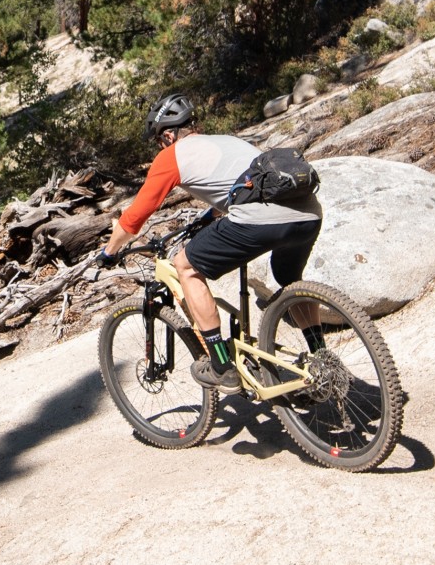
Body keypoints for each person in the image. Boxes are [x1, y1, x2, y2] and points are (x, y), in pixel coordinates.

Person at [96, 93, 325, 391]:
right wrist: (206, 218)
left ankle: (222, 367)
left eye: (158, 142)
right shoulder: (227, 141)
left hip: (259, 219)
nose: (160, 148)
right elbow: (247, 185)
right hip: (309, 213)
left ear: (168, 136)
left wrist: (109, 252)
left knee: (185, 266)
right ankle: (322, 358)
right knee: (288, 278)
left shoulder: (170, 156)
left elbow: (134, 218)